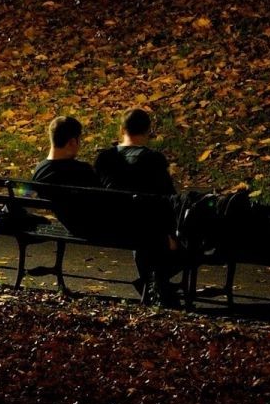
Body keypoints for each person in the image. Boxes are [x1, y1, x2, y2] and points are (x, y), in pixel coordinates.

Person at [28, 115, 179, 304]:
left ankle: (154, 285)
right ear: (73, 141)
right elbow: (107, 201)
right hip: (100, 228)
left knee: (153, 233)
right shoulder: (80, 170)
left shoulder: (40, 170)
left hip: (75, 225)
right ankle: (154, 285)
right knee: (161, 237)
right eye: (79, 141)